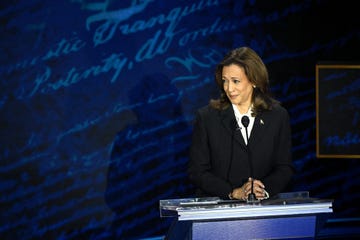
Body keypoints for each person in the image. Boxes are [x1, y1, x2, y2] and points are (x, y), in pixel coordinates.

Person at [187, 46, 294, 201]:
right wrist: (232, 192)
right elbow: (197, 171)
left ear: (255, 81)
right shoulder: (207, 117)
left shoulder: (277, 116)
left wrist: (262, 190)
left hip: (263, 212)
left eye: (235, 81)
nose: (229, 88)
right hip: (218, 210)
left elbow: (285, 168)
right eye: (225, 81)